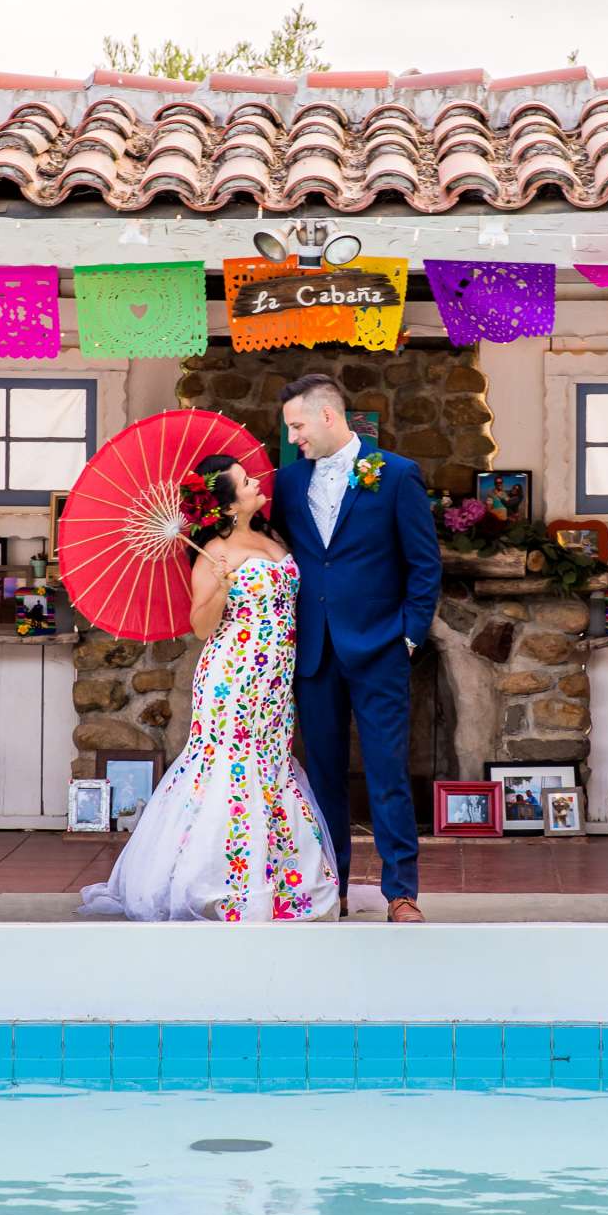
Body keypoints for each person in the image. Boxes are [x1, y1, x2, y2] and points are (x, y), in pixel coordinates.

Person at [79, 455, 339, 924]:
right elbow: (201, 626)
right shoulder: (213, 553)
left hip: (276, 679)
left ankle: (281, 882)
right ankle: (223, 881)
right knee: (230, 767)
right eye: (245, 481)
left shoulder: (273, 536)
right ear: (226, 503)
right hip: (233, 676)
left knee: (270, 764)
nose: (256, 482)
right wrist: (218, 587)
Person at [273, 373, 443, 923]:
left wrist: (409, 637)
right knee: (322, 777)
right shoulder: (286, 484)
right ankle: (332, 888)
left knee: (387, 772)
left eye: (297, 425)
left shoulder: (395, 475)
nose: (293, 437)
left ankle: (401, 892)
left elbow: (424, 565)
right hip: (313, 654)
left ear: (328, 415)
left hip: (380, 650)